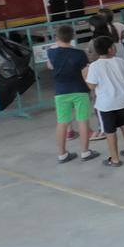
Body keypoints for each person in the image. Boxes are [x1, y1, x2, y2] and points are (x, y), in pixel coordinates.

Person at [84, 35, 124, 166]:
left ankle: (115, 159)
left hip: (105, 105)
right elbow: (123, 76)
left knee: (110, 132)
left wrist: (85, 75)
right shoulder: (119, 61)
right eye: (113, 46)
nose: (115, 48)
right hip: (122, 100)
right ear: (109, 49)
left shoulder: (94, 66)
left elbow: (91, 86)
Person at [46, 25, 96, 163]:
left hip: (61, 91)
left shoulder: (51, 52)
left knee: (62, 122)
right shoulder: (79, 54)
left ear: (57, 37)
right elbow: (85, 73)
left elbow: (50, 66)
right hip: (80, 90)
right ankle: (85, 152)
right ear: (72, 37)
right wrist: (91, 88)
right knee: (83, 120)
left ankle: (62, 154)